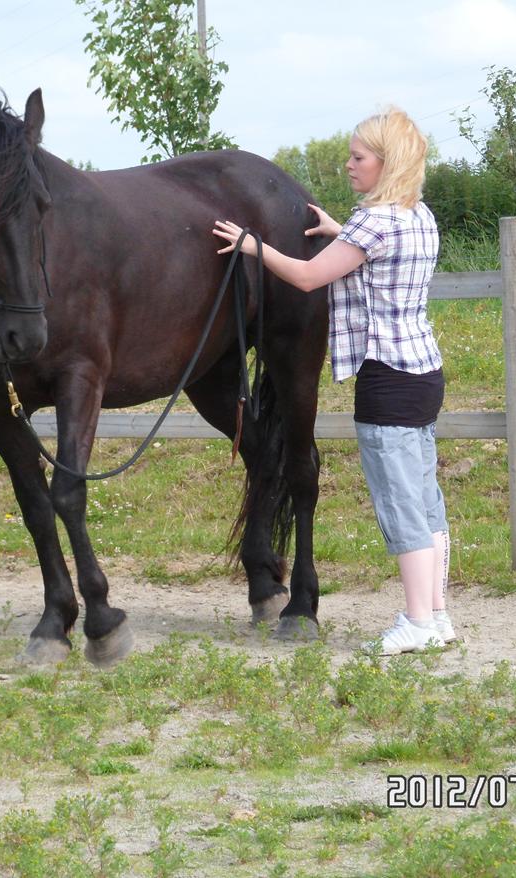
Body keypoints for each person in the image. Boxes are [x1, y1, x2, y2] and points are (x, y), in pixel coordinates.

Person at [212, 107, 454, 656]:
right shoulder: (418, 217)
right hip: (422, 373)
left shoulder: (373, 222)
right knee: (425, 498)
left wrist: (254, 246)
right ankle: (436, 615)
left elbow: (305, 276)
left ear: (385, 163)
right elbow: (377, 253)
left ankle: (416, 620)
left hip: (385, 381)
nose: (349, 165)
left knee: (400, 505)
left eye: (358, 156)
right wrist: (337, 231)